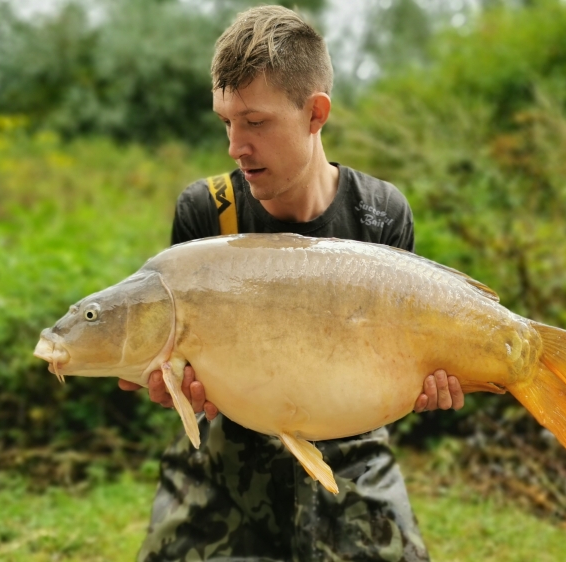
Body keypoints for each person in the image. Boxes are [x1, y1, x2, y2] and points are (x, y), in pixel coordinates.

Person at [119, 6, 465, 561]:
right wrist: (171, 383)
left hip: (351, 448)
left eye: (254, 122)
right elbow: (178, 367)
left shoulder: (379, 213)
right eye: (226, 122)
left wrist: (425, 385)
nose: (235, 146)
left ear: (314, 113)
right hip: (225, 453)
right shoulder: (209, 211)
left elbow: (402, 362)